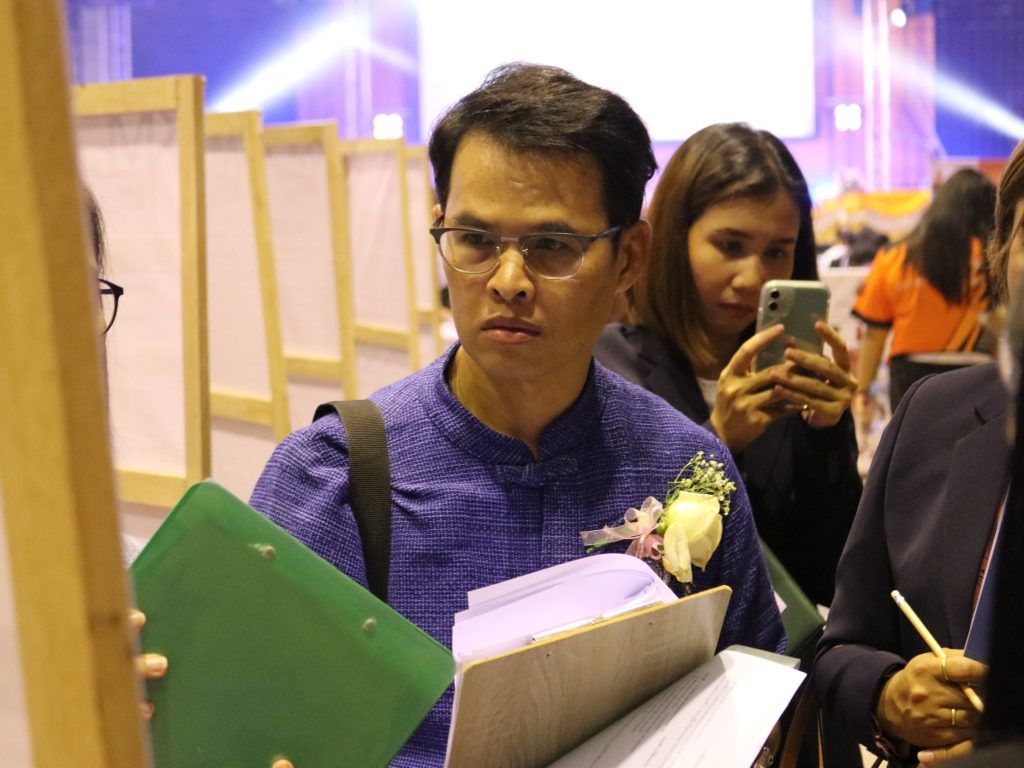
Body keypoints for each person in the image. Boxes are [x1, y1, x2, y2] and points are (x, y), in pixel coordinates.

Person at [250, 65, 785, 768]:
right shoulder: (336, 480)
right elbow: (250, 722)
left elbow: (756, 715)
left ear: (629, 258)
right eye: (474, 239)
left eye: (551, 246)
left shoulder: (688, 469)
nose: (508, 282)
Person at [814, 138, 1024, 766]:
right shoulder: (932, 418)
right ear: (1002, 254)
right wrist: (888, 696)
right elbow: (841, 648)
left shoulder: (899, 260)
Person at [595, 123, 861, 607]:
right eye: (730, 246)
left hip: (779, 645)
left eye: (777, 252)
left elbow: (832, 571)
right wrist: (717, 439)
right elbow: (610, 553)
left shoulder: (790, 379)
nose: (753, 277)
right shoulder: (608, 365)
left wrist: (829, 433)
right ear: (674, 241)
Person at [852, 168, 997, 413]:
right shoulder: (995, 258)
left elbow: (875, 333)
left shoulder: (896, 256)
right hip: (979, 371)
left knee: (913, 439)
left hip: (910, 376)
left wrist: (863, 389)